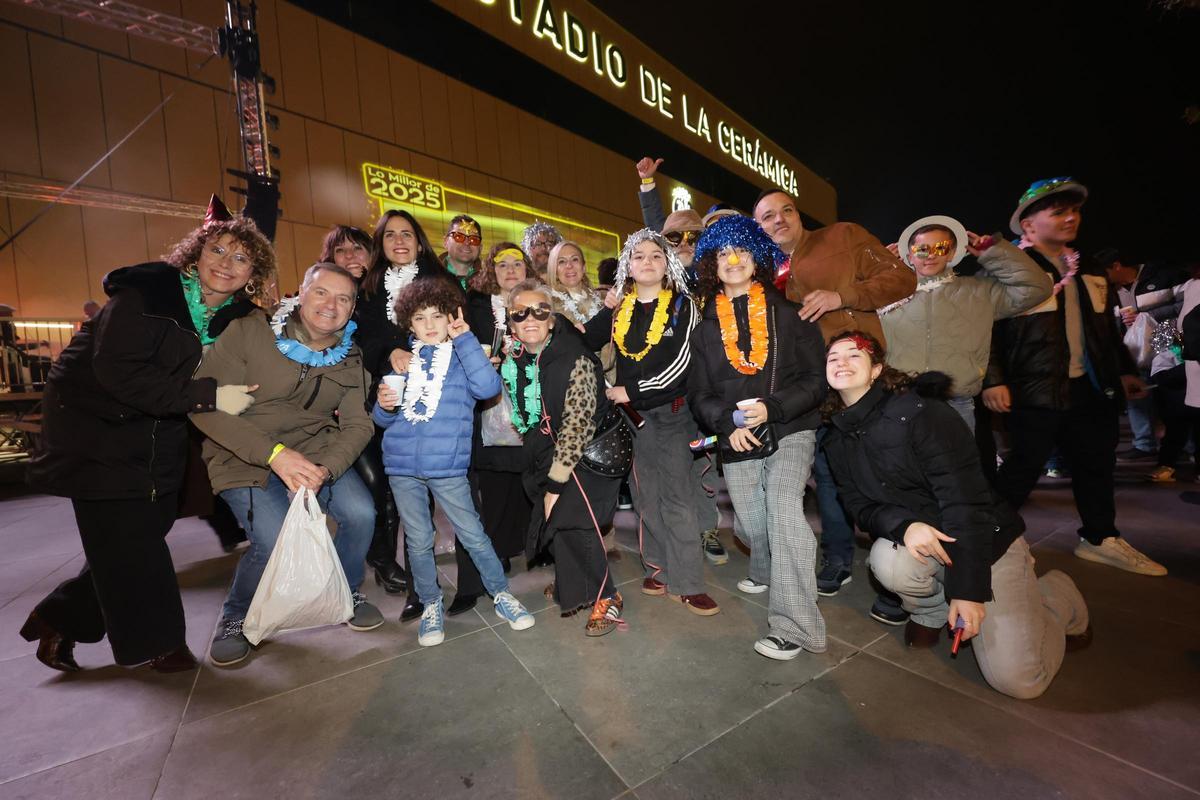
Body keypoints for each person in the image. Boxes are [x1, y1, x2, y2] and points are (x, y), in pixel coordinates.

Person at [22, 216, 276, 673]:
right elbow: (118, 372)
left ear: (252, 274)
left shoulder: (233, 317)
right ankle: (161, 645)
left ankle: (59, 617)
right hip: (97, 431)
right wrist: (209, 396)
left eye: (241, 258)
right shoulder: (148, 293)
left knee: (135, 535)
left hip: (158, 433)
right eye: (218, 250)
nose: (226, 263)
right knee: (134, 541)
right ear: (196, 253)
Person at [822, 331, 1091, 699]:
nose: (841, 362)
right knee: (888, 561)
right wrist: (904, 525)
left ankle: (1056, 594)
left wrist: (967, 591)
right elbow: (859, 506)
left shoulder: (923, 414)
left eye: (854, 355)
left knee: (1019, 681)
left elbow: (966, 503)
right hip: (931, 544)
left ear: (877, 369)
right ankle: (932, 610)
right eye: (832, 358)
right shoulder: (837, 437)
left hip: (986, 543)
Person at [193, 262, 384, 667]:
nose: (331, 305)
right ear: (302, 292)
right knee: (273, 536)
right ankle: (237, 614)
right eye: (322, 292)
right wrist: (276, 455)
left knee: (361, 514)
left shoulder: (351, 356)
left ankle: (345, 590)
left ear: (352, 309)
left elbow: (357, 424)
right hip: (243, 451)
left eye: (344, 299)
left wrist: (326, 469)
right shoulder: (249, 332)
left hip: (316, 452)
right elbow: (204, 406)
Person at [982, 177, 1164, 576]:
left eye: (1075, 211)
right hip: (1034, 388)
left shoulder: (1090, 267)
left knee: (1096, 464)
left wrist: (1124, 371)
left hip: (1091, 389)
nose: (1070, 218)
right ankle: (984, 541)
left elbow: (1105, 330)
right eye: (1059, 212)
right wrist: (993, 380)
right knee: (1023, 467)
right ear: (1028, 225)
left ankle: (1099, 538)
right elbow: (987, 329)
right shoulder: (1010, 268)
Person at [755, 188, 917, 620]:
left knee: (885, 472)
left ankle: (901, 573)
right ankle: (838, 558)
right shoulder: (763, 269)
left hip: (860, 379)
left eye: (786, 209)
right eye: (767, 216)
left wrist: (841, 296)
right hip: (812, 387)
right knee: (829, 476)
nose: (779, 219)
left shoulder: (842, 236)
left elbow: (903, 279)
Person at [689, 215, 828, 659]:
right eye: (723, 253)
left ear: (758, 258)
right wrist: (727, 424)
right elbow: (699, 393)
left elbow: (816, 380)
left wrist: (774, 408)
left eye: (742, 250)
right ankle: (768, 568)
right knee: (750, 525)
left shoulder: (791, 313)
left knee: (783, 509)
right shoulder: (704, 327)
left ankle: (796, 626)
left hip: (790, 428)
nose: (733, 260)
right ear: (711, 264)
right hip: (737, 436)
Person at [374, 278, 534, 646]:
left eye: (437, 315)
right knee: (418, 541)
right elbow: (382, 420)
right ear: (409, 324)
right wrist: (383, 407)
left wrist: (465, 340)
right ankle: (430, 603)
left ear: (451, 317)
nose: (429, 324)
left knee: (473, 534)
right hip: (401, 467)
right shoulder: (403, 363)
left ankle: (500, 593)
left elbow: (488, 388)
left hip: (447, 467)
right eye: (420, 318)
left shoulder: (464, 358)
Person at [584, 229, 719, 616]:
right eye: (639, 256)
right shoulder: (619, 309)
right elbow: (582, 340)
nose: (647, 261)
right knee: (646, 498)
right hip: (633, 420)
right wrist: (599, 311)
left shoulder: (682, 306)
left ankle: (689, 583)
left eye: (656, 256)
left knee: (677, 498)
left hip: (674, 415)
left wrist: (630, 390)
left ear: (668, 265)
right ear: (628, 266)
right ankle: (658, 568)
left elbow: (683, 366)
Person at [506, 279, 625, 636]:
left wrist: (555, 485)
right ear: (511, 323)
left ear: (552, 319)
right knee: (555, 521)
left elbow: (577, 425)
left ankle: (608, 596)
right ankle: (572, 584)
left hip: (591, 451)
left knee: (571, 517)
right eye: (520, 313)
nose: (530, 318)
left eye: (539, 311)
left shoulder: (574, 357)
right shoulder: (517, 360)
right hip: (551, 449)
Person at [356, 209, 450, 620]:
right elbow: (362, 336)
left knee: (431, 499)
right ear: (381, 242)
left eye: (406, 233)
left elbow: (454, 328)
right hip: (390, 399)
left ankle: (426, 584)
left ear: (418, 240)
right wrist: (388, 351)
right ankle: (414, 584)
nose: (399, 241)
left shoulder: (440, 280)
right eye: (390, 234)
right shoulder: (368, 287)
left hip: (437, 398)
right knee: (401, 496)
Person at [880, 215, 1052, 430]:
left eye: (940, 248)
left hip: (956, 404)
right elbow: (850, 309)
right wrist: (879, 268)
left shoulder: (980, 291)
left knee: (956, 454)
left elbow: (1037, 288)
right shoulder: (886, 294)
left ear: (952, 252)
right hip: (897, 402)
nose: (930, 255)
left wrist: (994, 253)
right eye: (922, 249)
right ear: (909, 255)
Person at [451, 242, 534, 613]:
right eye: (503, 264)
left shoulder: (537, 300)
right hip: (489, 404)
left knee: (527, 479)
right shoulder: (476, 305)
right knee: (495, 480)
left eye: (518, 263)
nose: (511, 270)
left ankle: (525, 544)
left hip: (532, 399)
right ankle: (497, 549)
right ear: (491, 270)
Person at [547, 240, 603, 325]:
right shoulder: (548, 304)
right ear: (554, 270)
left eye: (574, 259)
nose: (569, 266)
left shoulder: (601, 300)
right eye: (562, 261)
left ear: (583, 267)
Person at [441, 214, 483, 291]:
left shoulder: (491, 282)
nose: (467, 243)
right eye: (459, 237)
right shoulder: (428, 275)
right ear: (445, 242)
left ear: (480, 248)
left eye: (473, 239)